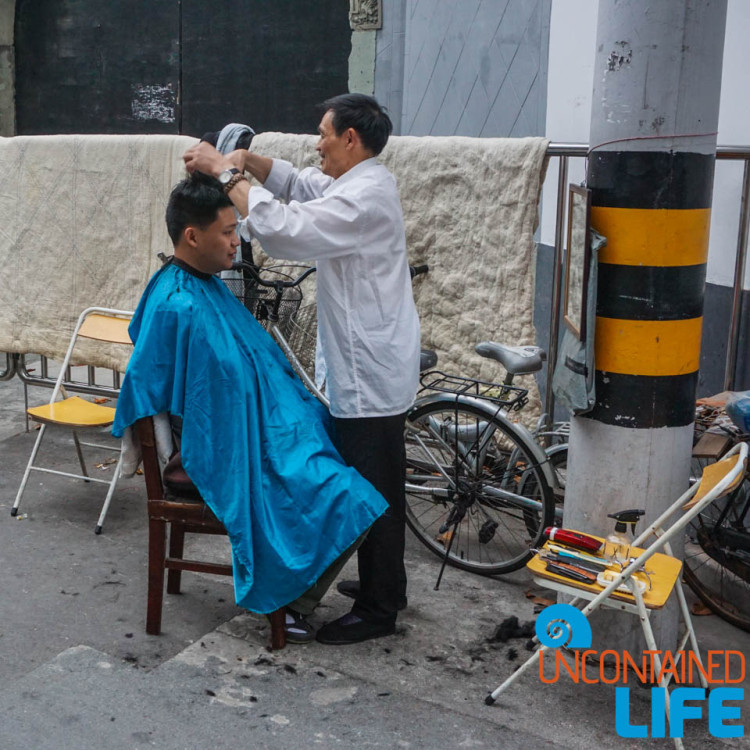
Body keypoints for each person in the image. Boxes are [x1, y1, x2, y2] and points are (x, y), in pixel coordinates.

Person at [183, 93, 421, 645]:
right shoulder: (357, 183)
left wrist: (223, 173)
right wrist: (250, 160)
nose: (317, 144)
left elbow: (282, 228)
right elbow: (300, 186)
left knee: (372, 488)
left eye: (323, 134)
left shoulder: (365, 199)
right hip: (368, 363)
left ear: (350, 140)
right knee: (374, 480)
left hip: (373, 372)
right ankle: (384, 585)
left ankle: (381, 608)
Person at [112, 171, 388, 643]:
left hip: (253, 426)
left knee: (334, 447)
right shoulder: (179, 304)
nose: (237, 243)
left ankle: (301, 580)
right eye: (227, 231)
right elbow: (161, 385)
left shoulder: (203, 287)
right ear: (192, 236)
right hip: (226, 444)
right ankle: (293, 602)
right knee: (349, 492)